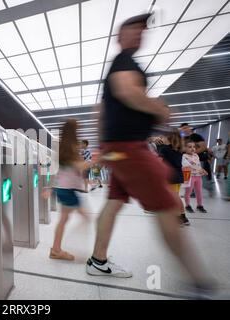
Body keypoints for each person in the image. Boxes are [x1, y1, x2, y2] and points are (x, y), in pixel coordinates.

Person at [86, 13, 212, 295]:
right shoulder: (124, 62)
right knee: (167, 205)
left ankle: (98, 259)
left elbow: (101, 111)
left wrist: (102, 147)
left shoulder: (122, 65)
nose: (138, 34)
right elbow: (128, 92)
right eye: (132, 30)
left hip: (119, 147)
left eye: (142, 31)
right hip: (129, 148)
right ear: (119, 36)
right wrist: (159, 108)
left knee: (114, 202)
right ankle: (199, 281)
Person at [49, 119, 92, 261]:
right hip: (67, 190)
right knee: (85, 217)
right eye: (77, 128)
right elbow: (79, 166)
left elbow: (58, 169)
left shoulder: (62, 145)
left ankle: (56, 250)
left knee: (64, 219)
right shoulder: (70, 146)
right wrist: (98, 160)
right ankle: (59, 249)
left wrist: (50, 187)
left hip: (63, 188)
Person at [158, 130, 190, 226]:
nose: (161, 138)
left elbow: (159, 162)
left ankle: (177, 219)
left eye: (162, 137)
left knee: (173, 198)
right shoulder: (179, 149)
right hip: (178, 176)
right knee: (176, 197)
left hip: (170, 176)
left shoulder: (164, 149)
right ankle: (183, 217)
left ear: (168, 138)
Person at [180, 123, 214, 197]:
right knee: (187, 177)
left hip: (199, 159)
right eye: (183, 128)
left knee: (201, 177)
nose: (185, 129)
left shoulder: (196, 136)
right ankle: (189, 193)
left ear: (189, 128)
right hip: (187, 161)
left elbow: (203, 147)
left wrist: (192, 153)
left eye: (186, 128)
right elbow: (181, 148)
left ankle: (209, 191)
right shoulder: (182, 139)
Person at [182, 141, 208, 213]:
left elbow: (198, 165)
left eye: (193, 147)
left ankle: (199, 205)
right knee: (188, 192)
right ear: (185, 148)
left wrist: (202, 170)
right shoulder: (184, 156)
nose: (192, 148)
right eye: (190, 147)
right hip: (189, 176)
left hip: (198, 176)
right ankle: (187, 205)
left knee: (199, 191)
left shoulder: (196, 155)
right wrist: (201, 170)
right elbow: (190, 165)